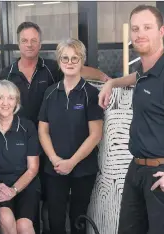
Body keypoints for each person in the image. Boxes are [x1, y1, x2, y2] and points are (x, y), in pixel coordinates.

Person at [98, 5, 164, 234]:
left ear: (161, 31)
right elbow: (136, 77)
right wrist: (111, 83)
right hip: (136, 169)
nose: (140, 34)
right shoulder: (146, 71)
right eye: (135, 29)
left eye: (147, 27)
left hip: (162, 173)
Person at [38, 38, 104, 234]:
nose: (70, 62)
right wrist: (54, 159)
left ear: (82, 61)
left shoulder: (91, 94)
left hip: (83, 168)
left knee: (79, 219)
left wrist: (72, 162)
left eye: (75, 58)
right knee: (55, 219)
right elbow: (43, 131)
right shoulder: (50, 93)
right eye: (65, 58)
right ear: (59, 61)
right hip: (55, 168)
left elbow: (95, 135)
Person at [0, 80, 40, 234]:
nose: (5, 103)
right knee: (6, 219)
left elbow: (33, 168)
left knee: (24, 226)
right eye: (0, 98)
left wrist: (14, 190)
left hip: (25, 185)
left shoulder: (27, 127)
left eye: (11, 98)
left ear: (16, 102)